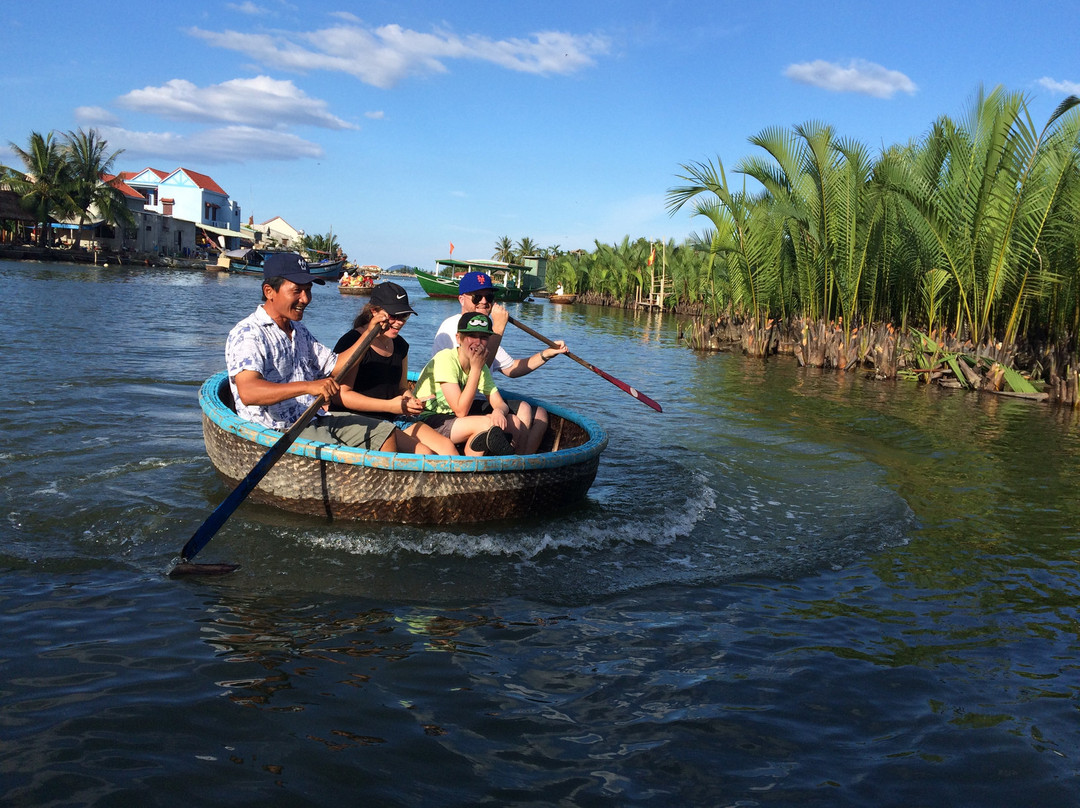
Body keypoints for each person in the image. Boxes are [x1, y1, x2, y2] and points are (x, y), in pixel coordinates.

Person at [225, 252, 398, 452]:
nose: (305, 299)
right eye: (297, 290)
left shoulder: (298, 331)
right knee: (336, 449)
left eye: (308, 290)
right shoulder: (249, 333)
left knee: (383, 432)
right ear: (269, 291)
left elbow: (337, 365)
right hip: (277, 429)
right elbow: (249, 392)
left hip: (313, 417)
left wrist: (369, 332)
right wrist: (309, 386)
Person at [430, 272, 567, 453]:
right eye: (477, 297)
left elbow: (511, 369)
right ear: (461, 299)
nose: (484, 301)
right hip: (457, 400)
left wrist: (547, 354)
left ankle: (521, 461)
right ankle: (515, 461)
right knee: (524, 410)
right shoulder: (457, 327)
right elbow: (479, 365)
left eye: (489, 297)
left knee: (540, 414)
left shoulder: (484, 332)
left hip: (480, 398)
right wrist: (499, 327)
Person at [330, 282, 457, 456]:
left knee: (447, 448)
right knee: (424, 453)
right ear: (374, 311)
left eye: (404, 316)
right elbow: (341, 396)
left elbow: (402, 387)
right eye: (393, 316)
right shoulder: (353, 342)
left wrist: (410, 401)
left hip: (392, 416)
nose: (399, 323)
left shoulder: (400, 346)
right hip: (357, 418)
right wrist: (390, 406)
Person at [414, 313, 533, 457]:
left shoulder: (480, 364)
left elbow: (499, 403)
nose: (477, 342)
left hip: (456, 420)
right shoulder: (446, 359)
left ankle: (512, 467)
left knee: (513, 421)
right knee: (486, 425)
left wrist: (498, 412)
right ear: (458, 338)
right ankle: (471, 472)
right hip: (430, 418)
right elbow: (461, 411)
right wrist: (475, 369)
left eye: (483, 337)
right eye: (472, 335)